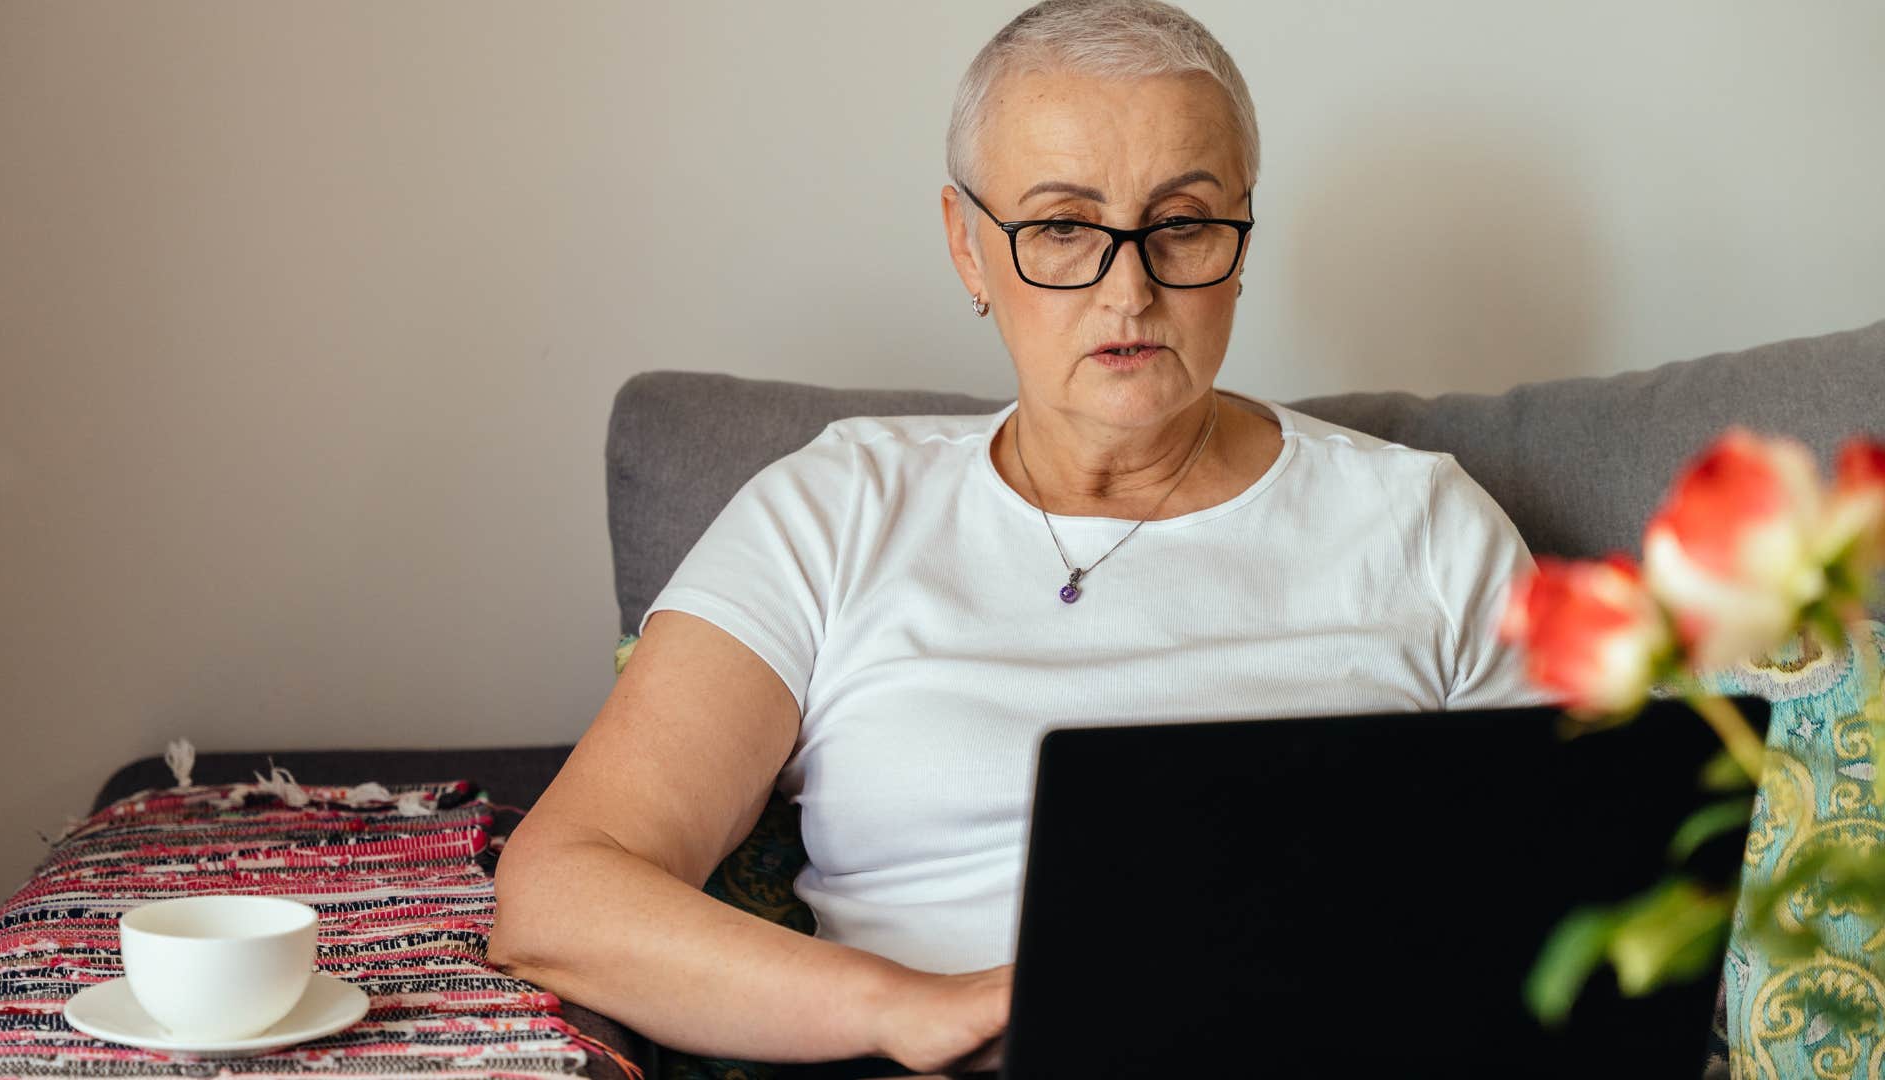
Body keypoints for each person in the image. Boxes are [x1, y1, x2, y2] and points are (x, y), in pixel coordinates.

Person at [489, 1, 1551, 1074]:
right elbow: (560, 889)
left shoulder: (1426, 527)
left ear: (1239, 241)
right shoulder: (834, 508)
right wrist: (903, 1007)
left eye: (1181, 223)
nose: (1127, 290)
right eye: (1061, 228)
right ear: (968, 246)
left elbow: (1593, 907)